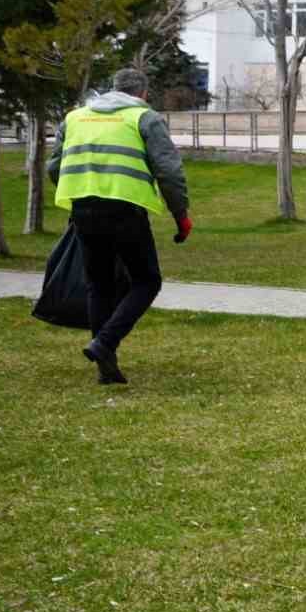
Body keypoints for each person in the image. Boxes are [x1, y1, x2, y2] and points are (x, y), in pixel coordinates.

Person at [48, 68, 191, 385]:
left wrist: (79, 193)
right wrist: (181, 215)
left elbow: (54, 166)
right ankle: (105, 343)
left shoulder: (75, 118)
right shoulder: (144, 117)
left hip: (83, 209)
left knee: (98, 284)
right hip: (125, 209)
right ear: (143, 93)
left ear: (112, 89)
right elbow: (169, 172)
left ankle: (106, 367)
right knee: (146, 280)